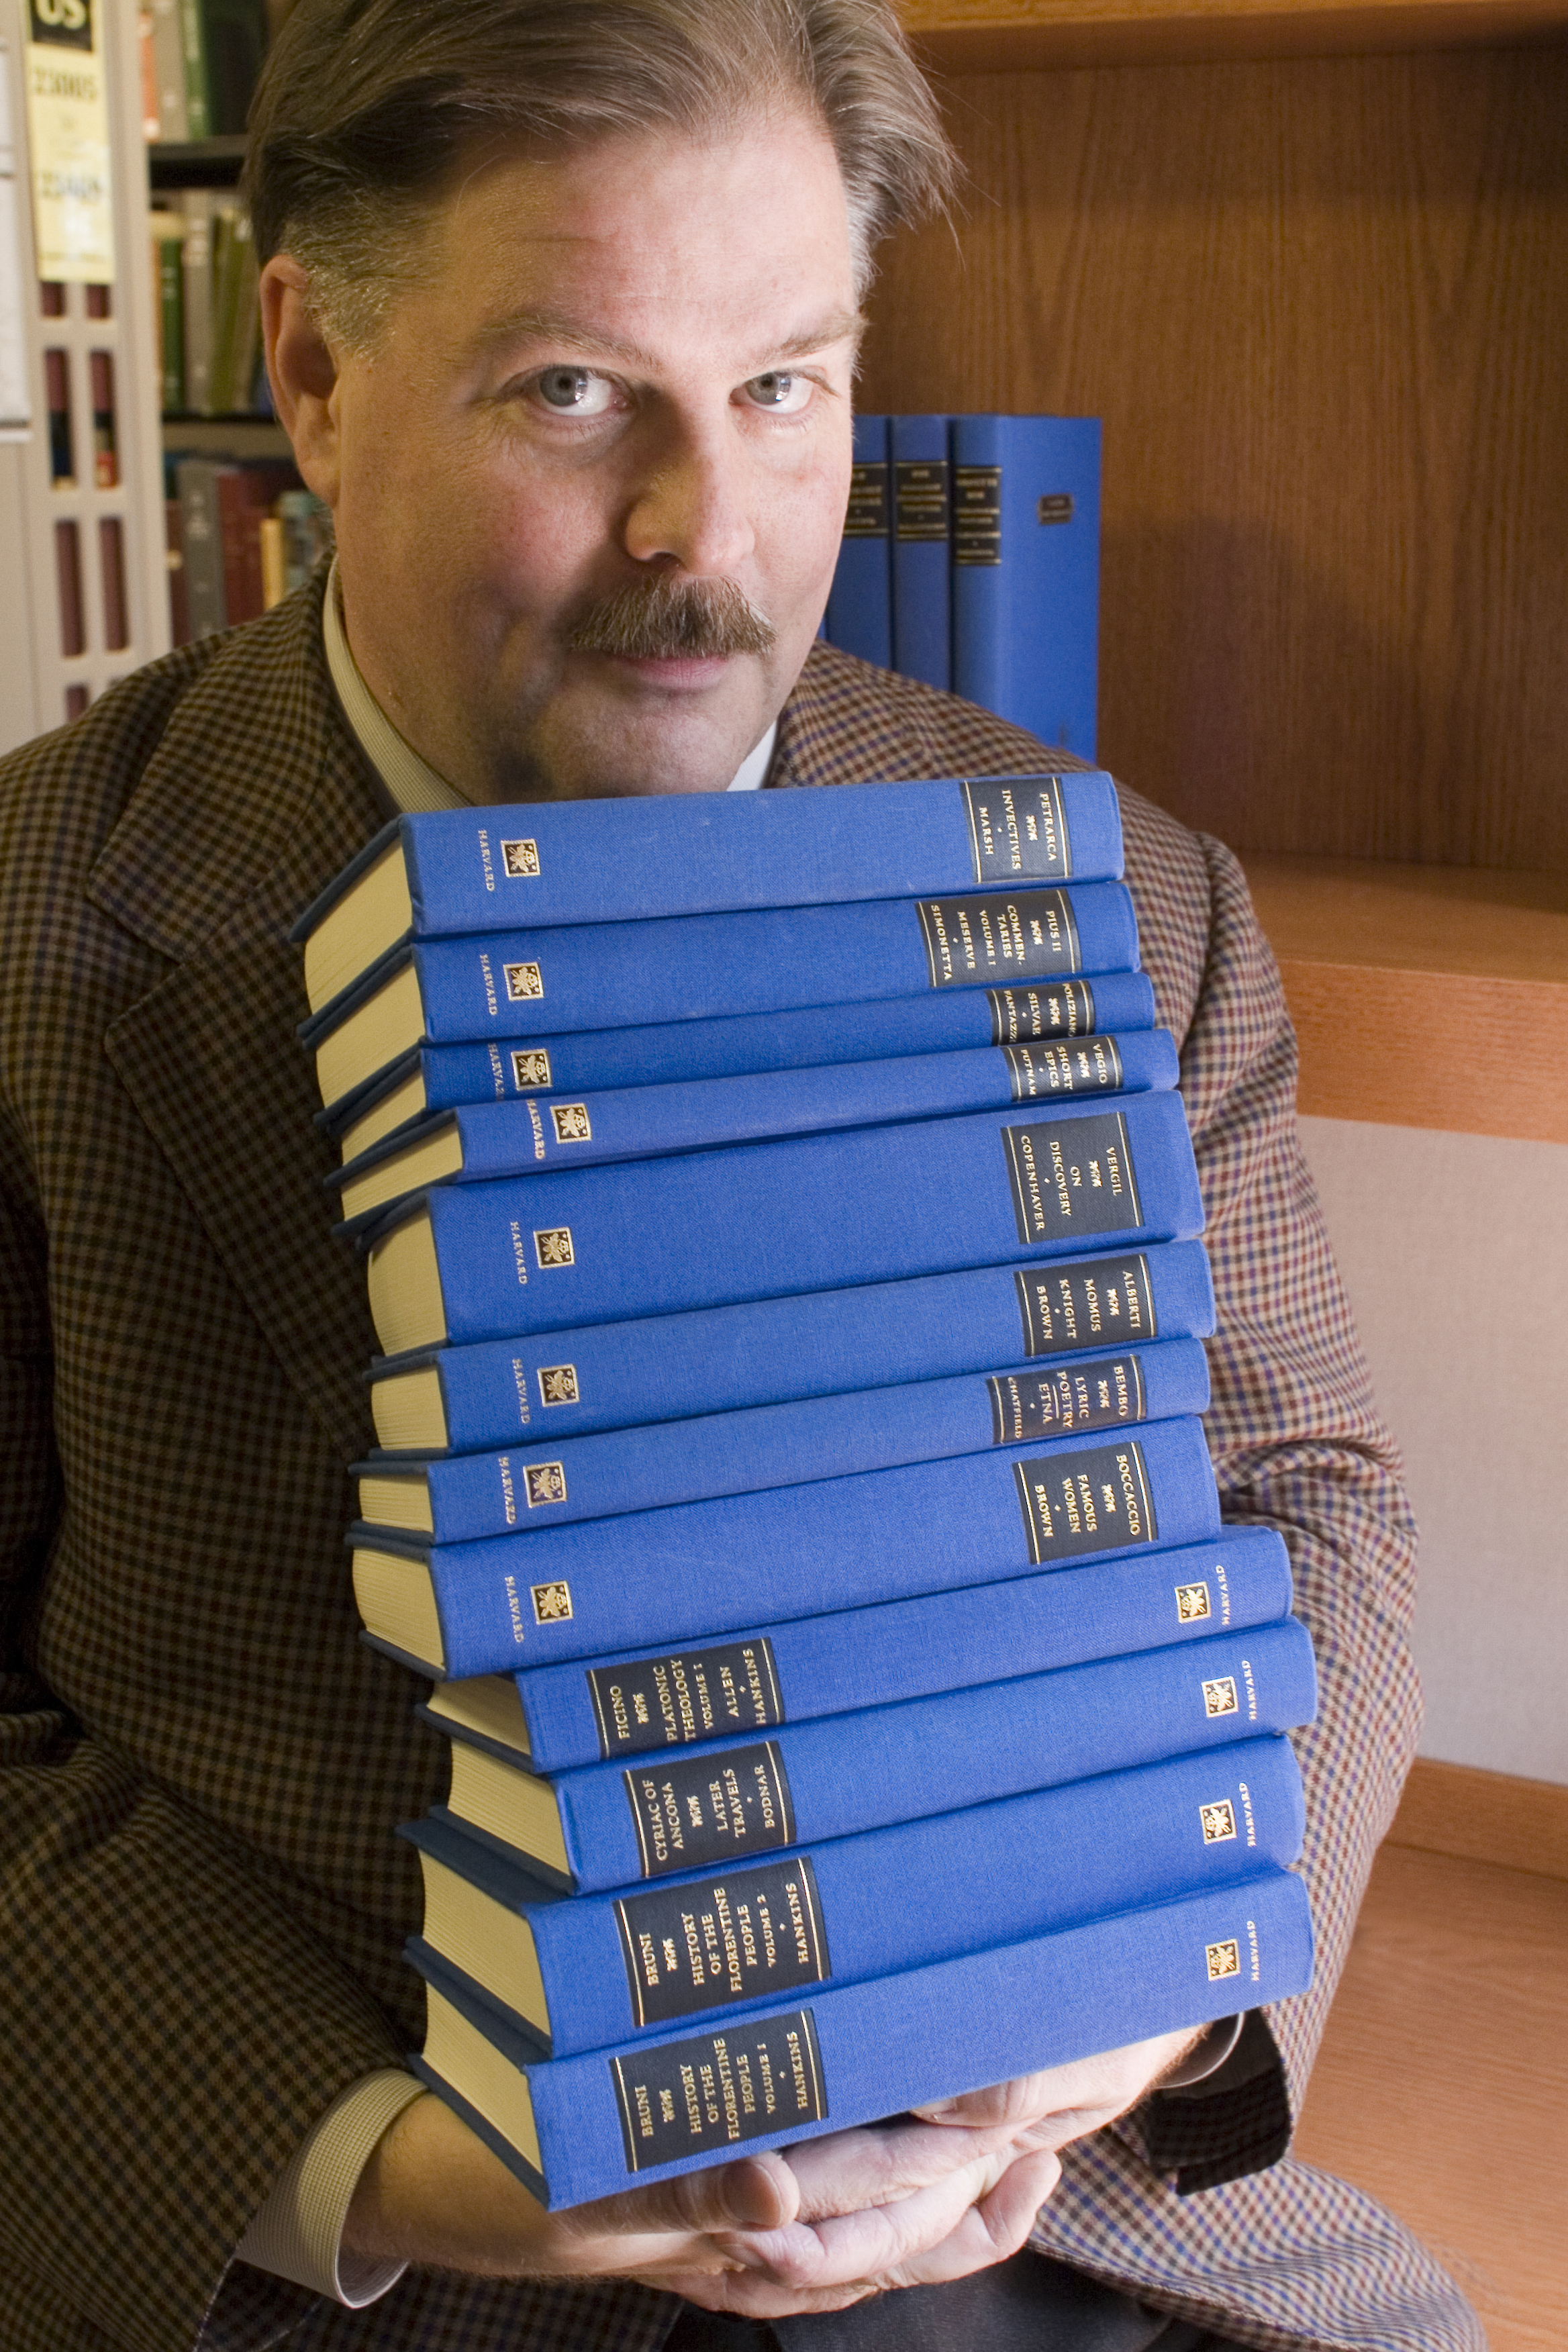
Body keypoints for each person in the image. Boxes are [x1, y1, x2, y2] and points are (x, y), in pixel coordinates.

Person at [0, 2, 1481, 2348]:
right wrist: (379, 2171)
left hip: (1060, 2210)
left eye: (789, 383)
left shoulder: (1133, 903)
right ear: (306, 367)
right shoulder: (27, 933)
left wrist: (1132, 2002)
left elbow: (1311, 1500)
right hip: (342, 2259)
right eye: (576, 391)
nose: (709, 537)